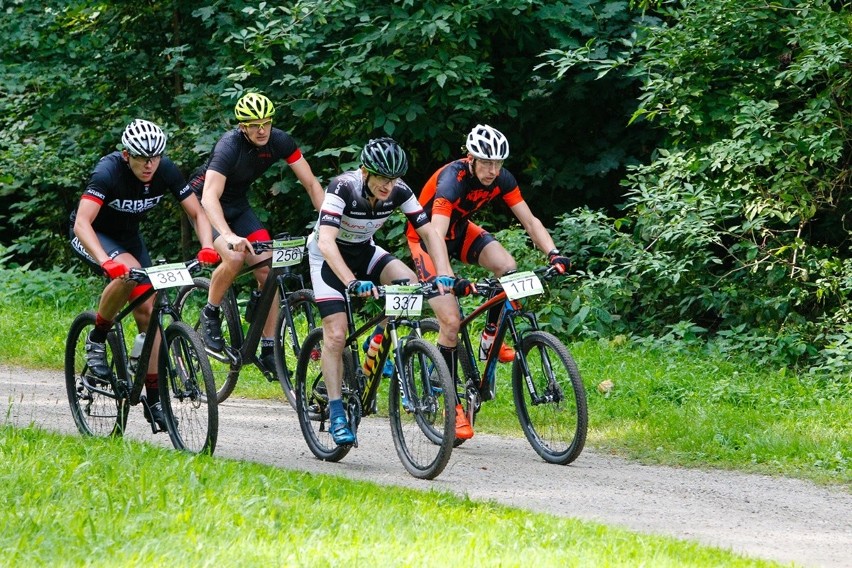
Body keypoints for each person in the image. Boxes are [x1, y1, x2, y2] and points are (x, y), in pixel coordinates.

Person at [406, 124, 572, 438]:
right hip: (428, 239)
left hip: (460, 230)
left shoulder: (502, 179)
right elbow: (437, 235)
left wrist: (554, 253)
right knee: (451, 321)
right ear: (471, 159)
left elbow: (530, 220)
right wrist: (448, 277)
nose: (493, 170)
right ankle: (451, 407)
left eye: (498, 164)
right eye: (486, 163)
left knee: (507, 266)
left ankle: (489, 338)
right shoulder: (451, 181)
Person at [309, 137, 461, 446]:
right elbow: (326, 242)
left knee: (407, 283)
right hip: (327, 257)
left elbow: (429, 232)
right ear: (365, 172)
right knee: (336, 334)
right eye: (382, 177)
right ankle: (337, 411)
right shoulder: (342, 187)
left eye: (393, 179)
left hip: (364, 250)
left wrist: (444, 274)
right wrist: (351, 282)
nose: (388, 186)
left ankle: (375, 345)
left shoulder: (400, 191)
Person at [70, 118, 219, 429]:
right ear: (127, 155)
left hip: (129, 238)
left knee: (148, 314)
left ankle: (154, 401)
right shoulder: (108, 172)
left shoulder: (164, 169)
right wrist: (105, 260)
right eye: (141, 158)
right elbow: (82, 223)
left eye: (155, 157)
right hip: (94, 235)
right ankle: (97, 338)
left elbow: (196, 211)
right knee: (126, 274)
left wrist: (206, 245)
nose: (149, 165)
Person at [188, 92, 324, 378]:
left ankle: (268, 347)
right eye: (253, 125)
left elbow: (311, 183)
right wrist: (227, 235)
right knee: (235, 256)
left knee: (269, 266)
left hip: (237, 205)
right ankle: (211, 311)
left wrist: (328, 222)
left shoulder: (280, 140)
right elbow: (210, 196)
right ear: (242, 127)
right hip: (204, 205)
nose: (261, 130)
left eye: (266, 123)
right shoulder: (229, 146)